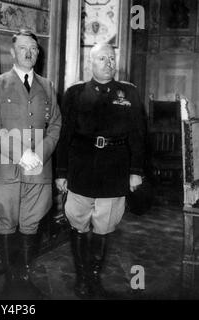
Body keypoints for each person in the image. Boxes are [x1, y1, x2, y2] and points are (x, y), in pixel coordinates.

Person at [56, 43, 146, 299]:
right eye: (102, 58)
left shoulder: (129, 93)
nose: (108, 62)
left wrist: (136, 170)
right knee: (78, 223)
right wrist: (61, 172)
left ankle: (94, 278)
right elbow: (65, 135)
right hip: (81, 168)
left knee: (105, 226)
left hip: (115, 169)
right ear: (90, 63)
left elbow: (139, 135)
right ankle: (81, 278)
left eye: (111, 58)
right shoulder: (74, 94)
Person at [0, 30, 61, 299]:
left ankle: (24, 280)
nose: (29, 52)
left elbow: (55, 125)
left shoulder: (48, 85)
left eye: (34, 48)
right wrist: (21, 154)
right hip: (6, 169)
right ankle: (10, 283)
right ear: (12, 52)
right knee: (7, 222)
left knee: (31, 223)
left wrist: (40, 153)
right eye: (23, 48)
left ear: (38, 53)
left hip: (39, 169)